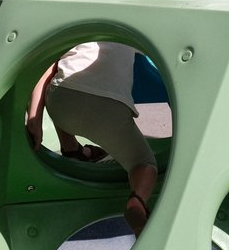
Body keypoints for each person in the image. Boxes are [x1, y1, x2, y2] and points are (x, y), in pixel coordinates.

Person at [26, 41, 157, 236]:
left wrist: (34, 118)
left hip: (63, 103)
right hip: (109, 110)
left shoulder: (80, 27)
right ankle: (137, 200)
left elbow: (48, 68)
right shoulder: (129, 34)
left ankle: (71, 149)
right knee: (143, 163)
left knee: (59, 83)